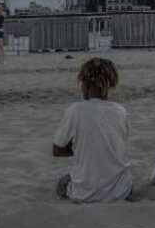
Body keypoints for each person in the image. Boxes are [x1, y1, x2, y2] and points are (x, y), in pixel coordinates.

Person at [53, 58, 133, 203]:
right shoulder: (121, 112)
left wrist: (80, 147)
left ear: (85, 84)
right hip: (120, 191)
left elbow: (57, 150)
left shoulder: (75, 110)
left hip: (84, 193)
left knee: (61, 179)